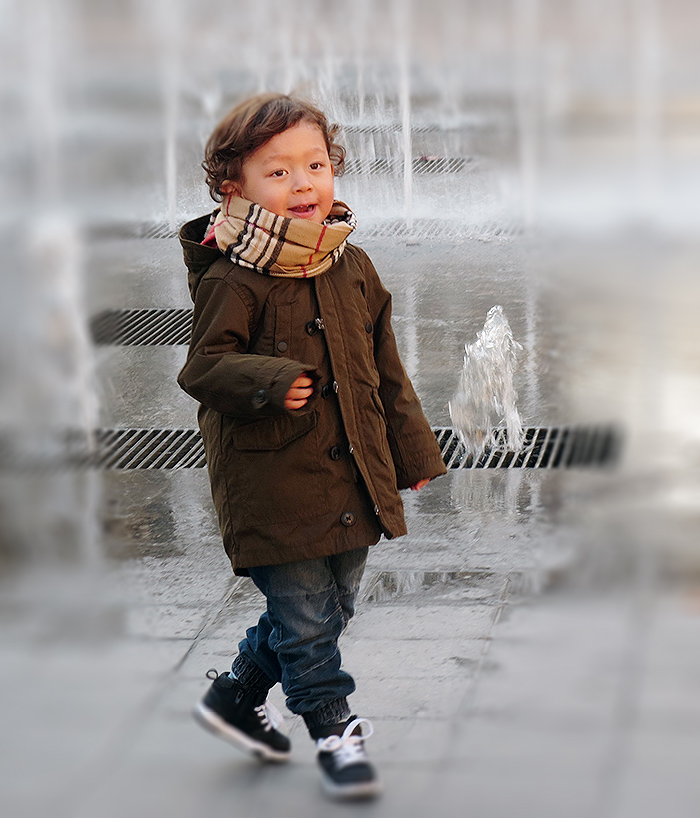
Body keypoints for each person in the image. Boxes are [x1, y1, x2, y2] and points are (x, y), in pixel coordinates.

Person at [177, 92, 446, 801]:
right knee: (306, 623)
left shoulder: (351, 265)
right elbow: (203, 367)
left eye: (316, 165)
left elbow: (386, 368)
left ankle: (237, 695)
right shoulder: (234, 276)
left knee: (333, 607)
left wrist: (412, 455)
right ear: (233, 188)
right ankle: (333, 729)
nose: (303, 184)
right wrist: (270, 381)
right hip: (273, 482)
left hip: (351, 473)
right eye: (278, 172)